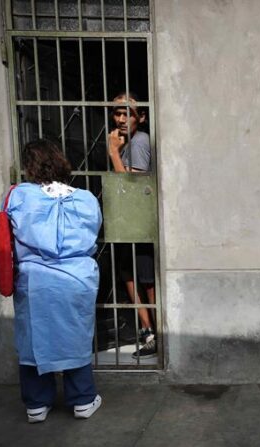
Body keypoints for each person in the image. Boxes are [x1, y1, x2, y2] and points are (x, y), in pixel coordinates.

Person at [5, 139, 103, 423]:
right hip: (76, 278)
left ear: (28, 166)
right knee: (75, 336)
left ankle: (37, 404)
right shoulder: (85, 199)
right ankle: (82, 399)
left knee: (33, 338)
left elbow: (7, 237)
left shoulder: (18, 197)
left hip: (35, 279)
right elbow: (94, 234)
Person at [107, 92, 157, 359]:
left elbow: (131, 186)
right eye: (118, 113)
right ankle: (148, 332)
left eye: (128, 113)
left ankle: (153, 333)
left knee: (145, 280)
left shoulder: (138, 142)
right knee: (129, 276)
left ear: (142, 117)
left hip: (139, 221)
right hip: (128, 222)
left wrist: (114, 153)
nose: (122, 118)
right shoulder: (127, 140)